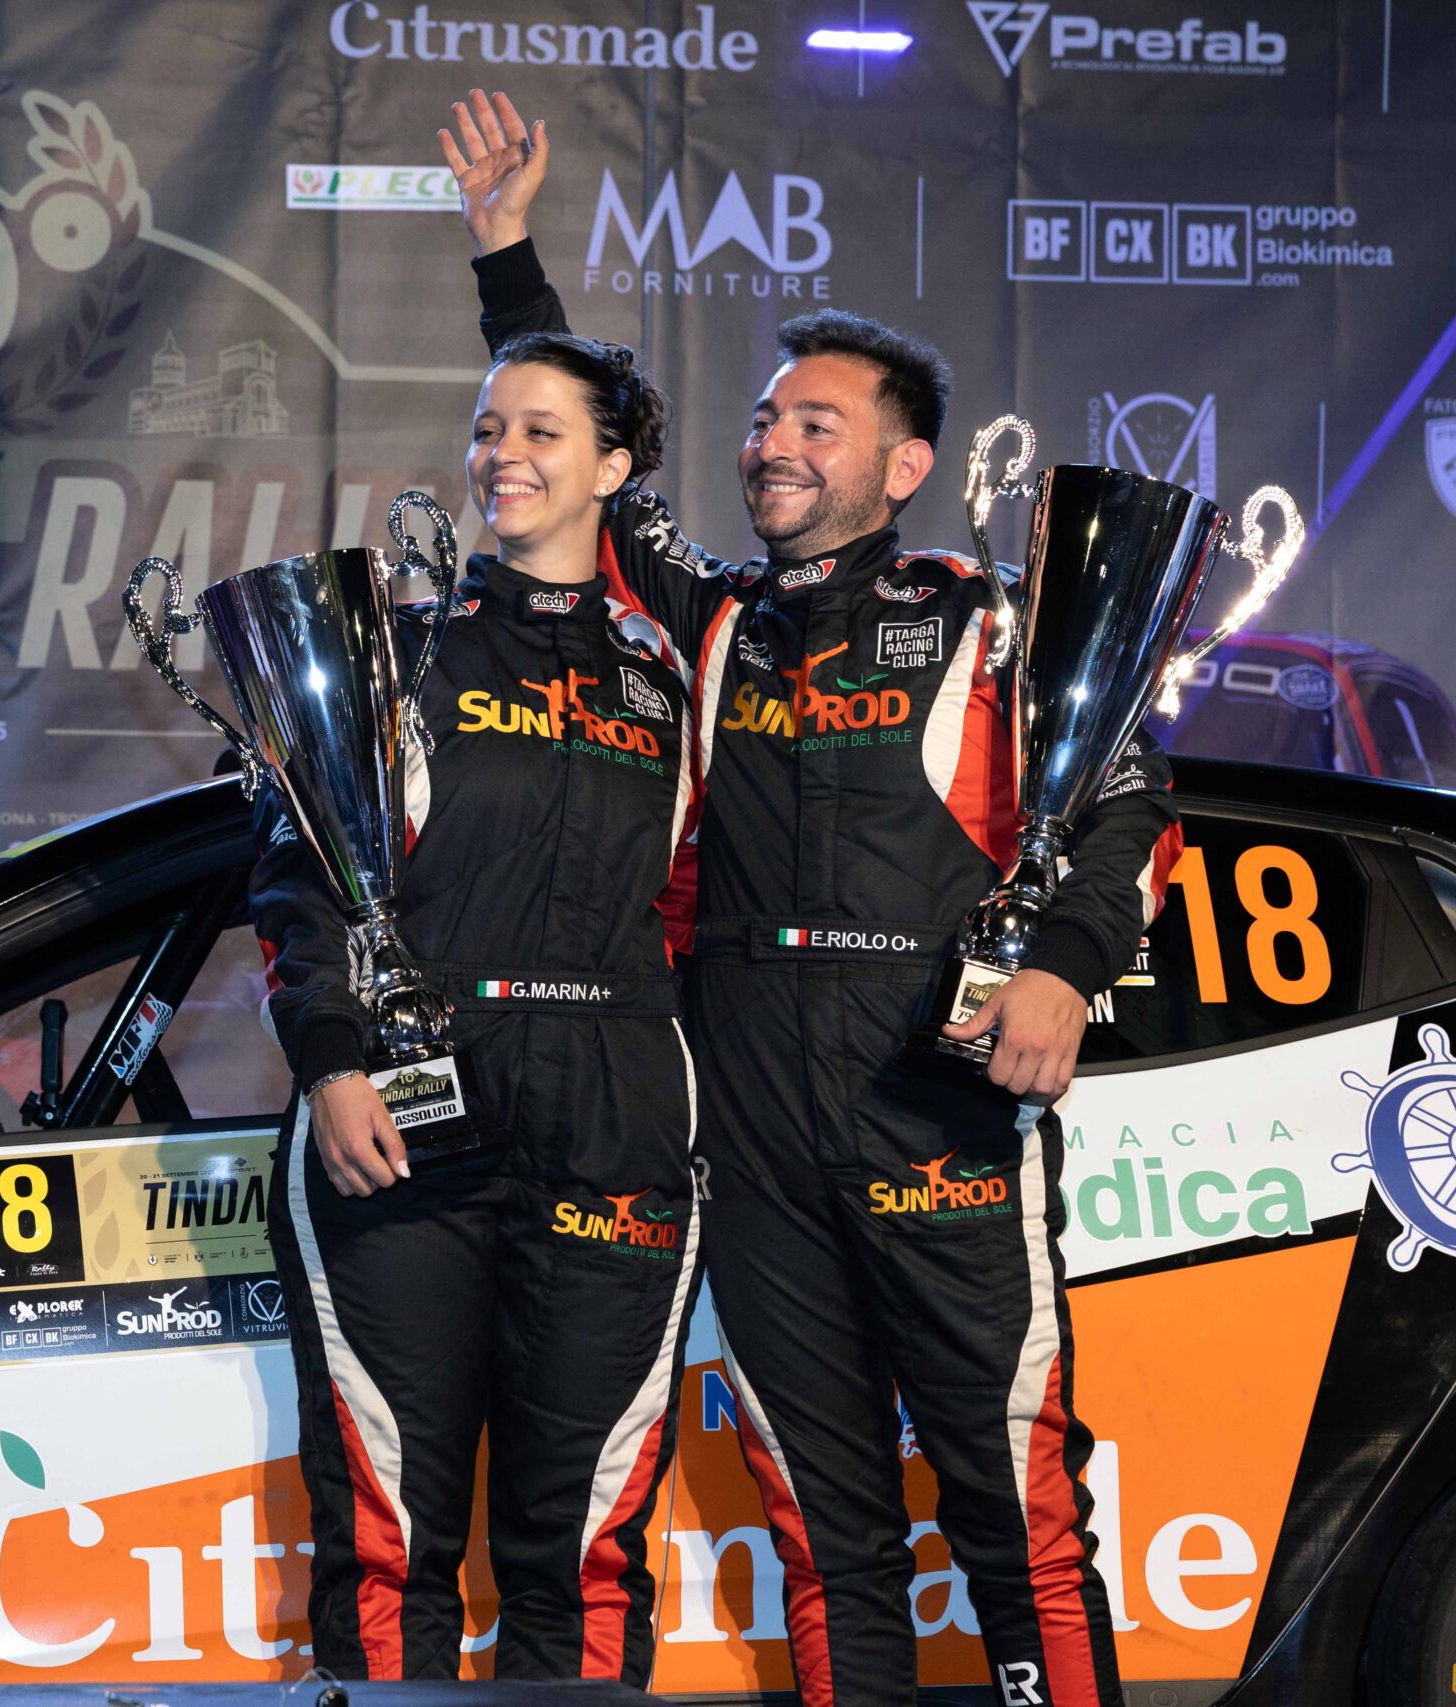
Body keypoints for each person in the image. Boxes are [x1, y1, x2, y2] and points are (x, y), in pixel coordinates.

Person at [435, 91, 1183, 1707]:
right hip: (753, 1125)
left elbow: (1127, 806)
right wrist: (506, 255)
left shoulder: (986, 619)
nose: (773, 443)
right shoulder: (712, 617)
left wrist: (1062, 968)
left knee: (1013, 1508)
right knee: (826, 1527)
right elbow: (592, 460)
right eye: (768, 419)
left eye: (817, 425)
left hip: (935, 1102)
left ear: (904, 466)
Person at [256, 328, 703, 1683]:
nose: (503, 453)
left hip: (616, 1116)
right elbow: (302, 881)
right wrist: (332, 1060)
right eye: (489, 428)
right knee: (389, 1537)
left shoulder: (681, 668)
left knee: (583, 1544)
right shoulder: (395, 651)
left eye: (541, 431)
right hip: (402, 1119)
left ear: (613, 470)